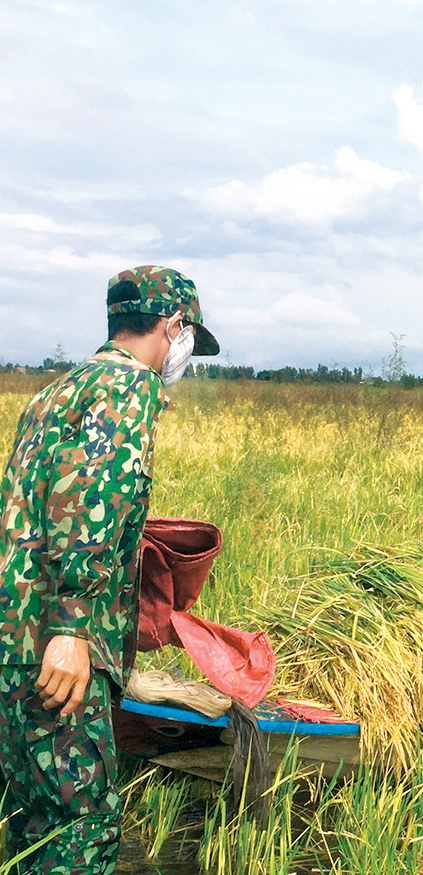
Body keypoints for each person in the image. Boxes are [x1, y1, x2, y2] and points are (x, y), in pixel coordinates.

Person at [1, 266, 219, 874]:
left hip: (11, 639)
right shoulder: (130, 390)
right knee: (80, 835)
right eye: (189, 340)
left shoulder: (57, 390)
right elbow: (89, 506)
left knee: (33, 830)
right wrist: (72, 629)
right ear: (174, 325)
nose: (185, 356)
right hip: (55, 650)